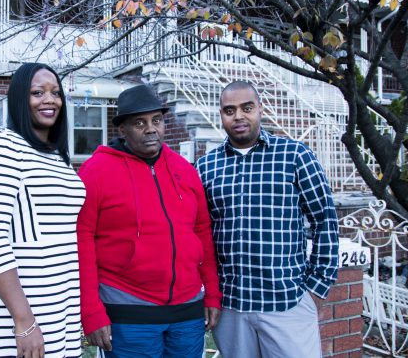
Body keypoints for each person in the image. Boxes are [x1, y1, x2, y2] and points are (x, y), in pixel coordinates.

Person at [196, 80, 339, 358]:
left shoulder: (295, 156)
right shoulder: (206, 166)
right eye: (229, 110)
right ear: (221, 115)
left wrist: (315, 288)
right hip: (232, 306)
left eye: (247, 108)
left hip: (287, 302)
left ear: (260, 108)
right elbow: (202, 232)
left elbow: (325, 220)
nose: (238, 116)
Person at [77, 84, 222, 358]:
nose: (150, 129)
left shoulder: (185, 170)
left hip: (187, 313)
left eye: (157, 120)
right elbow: (82, 242)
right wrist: (92, 311)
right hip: (128, 311)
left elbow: (203, 232)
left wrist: (212, 293)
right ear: (122, 129)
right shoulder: (95, 172)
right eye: (139, 123)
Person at [0, 63, 86, 358]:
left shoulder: (57, 157)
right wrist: (23, 321)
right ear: (20, 99)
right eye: (38, 92)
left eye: (55, 93)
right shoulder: (1, 147)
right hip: (19, 311)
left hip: (61, 305)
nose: (50, 100)